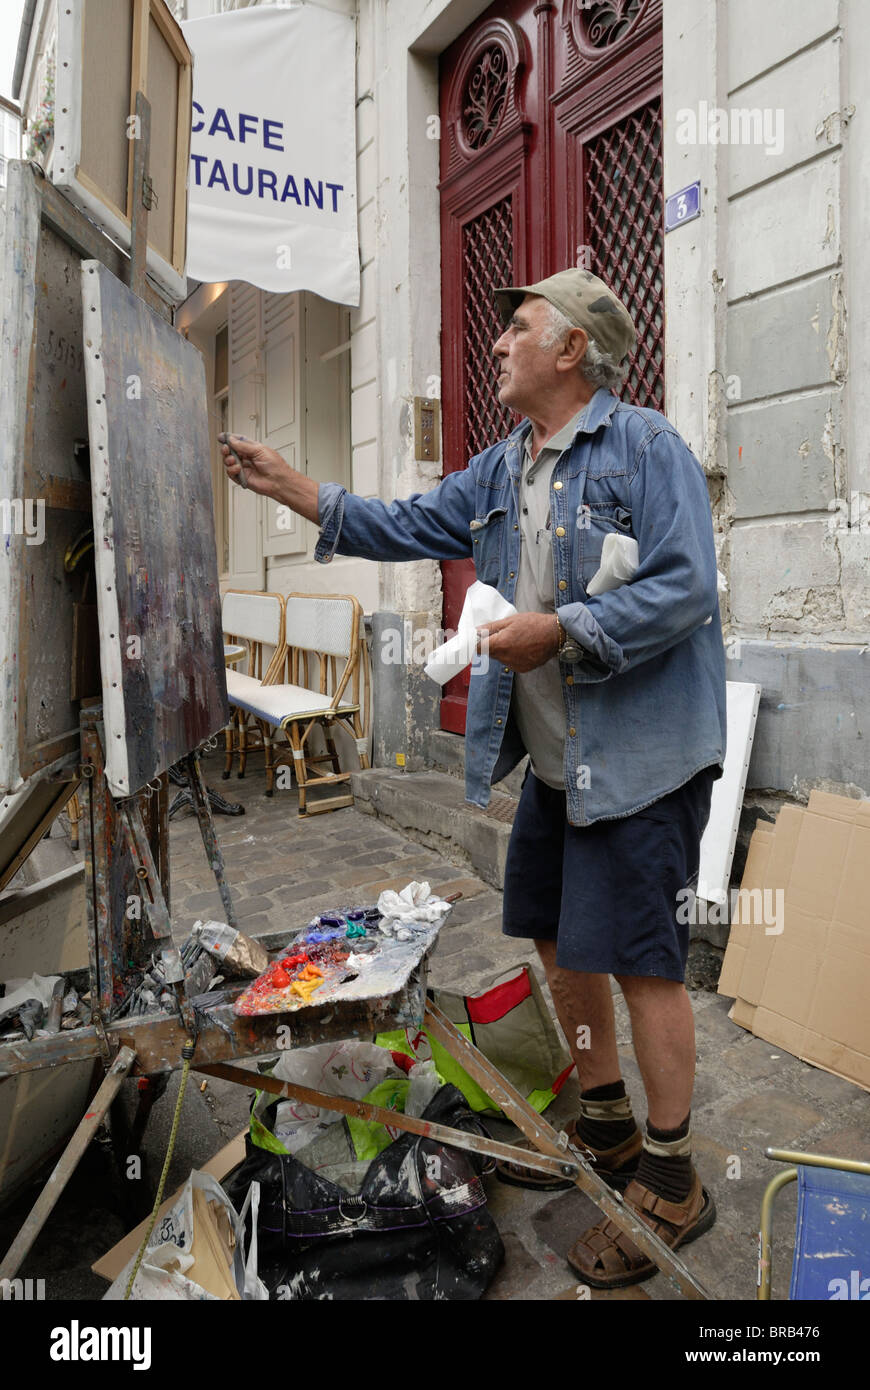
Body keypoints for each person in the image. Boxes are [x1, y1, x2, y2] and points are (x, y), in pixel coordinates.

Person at [220, 268, 727, 1288]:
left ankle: (673, 1181)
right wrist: (292, 487)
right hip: (552, 767)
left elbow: (686, 588)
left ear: (572, 348)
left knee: (643, 962)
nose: (496, 345)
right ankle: (609, 1127)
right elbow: (405, 523)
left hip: (638, 762)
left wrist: (565, 630)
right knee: (558, 940)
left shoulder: (646, 448)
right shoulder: (502, 469)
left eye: (518, 330)